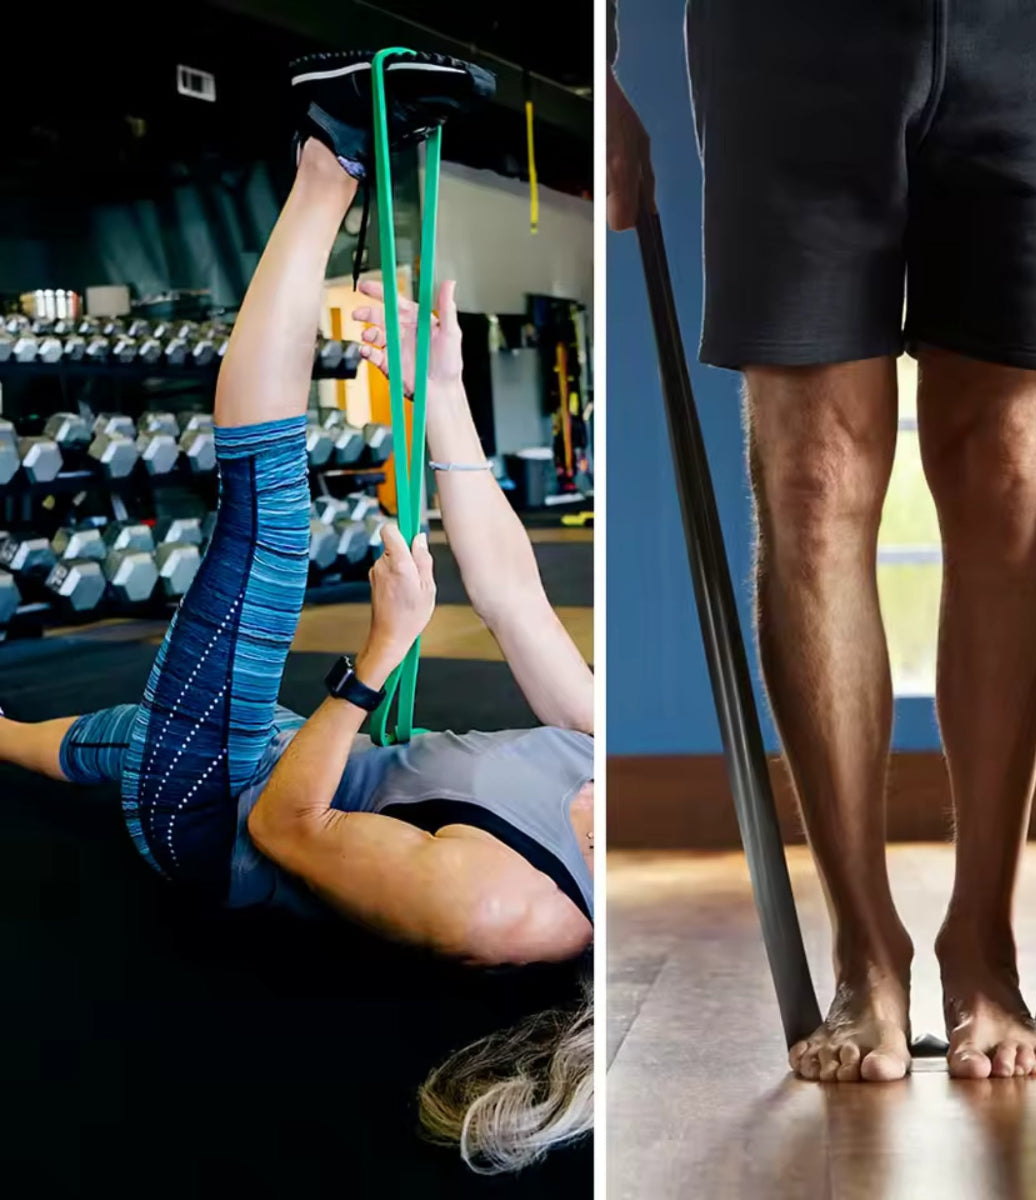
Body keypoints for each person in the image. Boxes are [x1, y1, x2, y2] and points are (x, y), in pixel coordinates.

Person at [0, 52, 594, 1171]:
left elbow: (284, 827)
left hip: (220, 812)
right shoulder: (624, 764)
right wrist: (444, 395)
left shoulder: (510, 912)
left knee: (269, 524)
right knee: (60, 750)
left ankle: (324, 161)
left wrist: (375, 659)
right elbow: (513, 594)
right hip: (251, 752)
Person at [608, 2, 1036, 1082]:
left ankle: (983, 943)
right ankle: (865, 949)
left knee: (1012, 472)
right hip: (787, 33)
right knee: (808, 475)